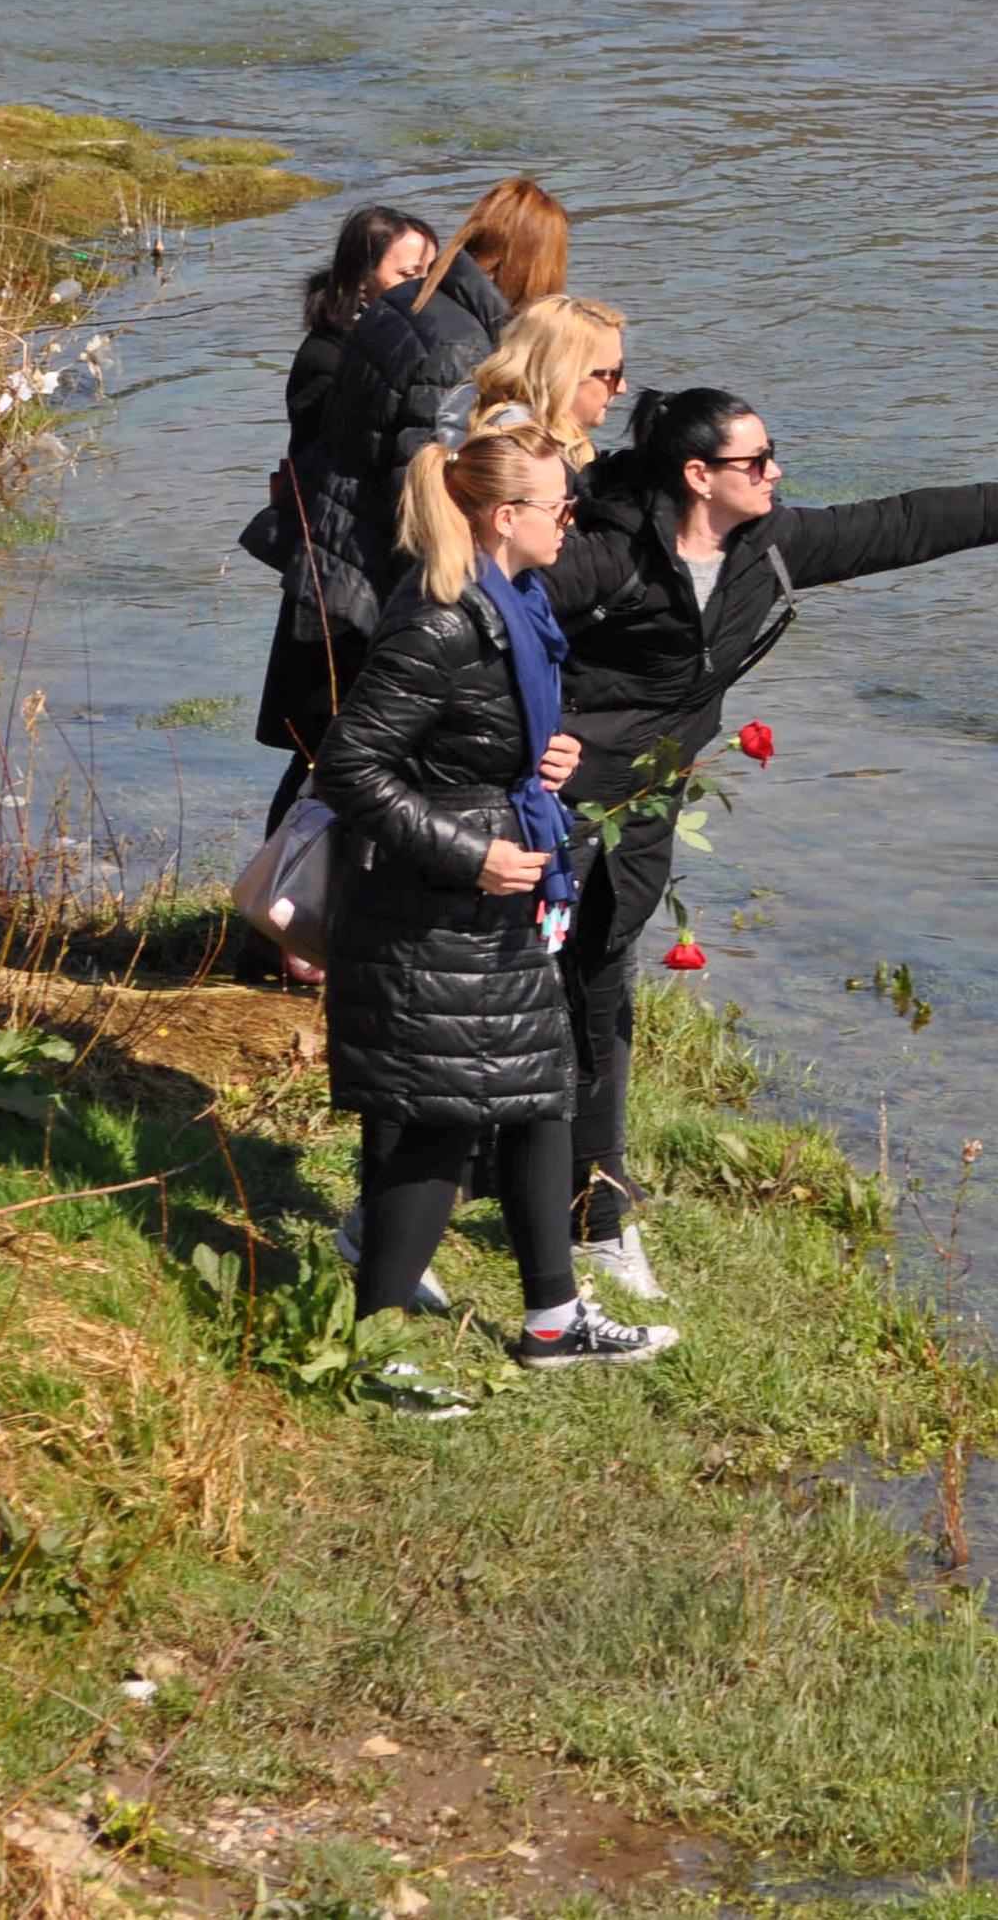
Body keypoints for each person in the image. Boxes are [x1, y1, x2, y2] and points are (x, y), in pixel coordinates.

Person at [537, 388, 998, 1301]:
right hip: (545, 807)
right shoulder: (605, 554)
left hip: (643, 809)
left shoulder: (764, 549)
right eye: (756, 462)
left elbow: (898, 526)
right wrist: (525, 732)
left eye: (774, 456)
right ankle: (421, 1194)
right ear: (699, 476)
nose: (776, 473)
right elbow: (473, 616)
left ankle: (595, 1214)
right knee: (517, 996)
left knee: (606, 996)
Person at [312, 419, 676, 1368]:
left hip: (492, 910)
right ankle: (373, 1350)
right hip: (434, 913)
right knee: (444, 1124)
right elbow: (350, 766)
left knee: (538, 1099)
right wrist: (468, 851)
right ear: (505, 515)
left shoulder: (512, 605)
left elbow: (467, 743)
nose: (573, 520)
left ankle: (551, 1320)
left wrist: (543, 757)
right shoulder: (441, 618)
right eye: (560, 506)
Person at [256, 204, 437, 839]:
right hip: (333, 573)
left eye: (429, 271)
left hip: (375, 566)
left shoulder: (402, 345)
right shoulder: (327, 359)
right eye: (406, 270)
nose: (420, 284)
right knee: (321, 745)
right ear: (362, 276)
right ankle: (274, 898)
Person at [313, 177, 574, 602]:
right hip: (373, 578)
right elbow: (422, 480)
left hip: (334, 550)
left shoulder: (410, 300)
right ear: (535, 265)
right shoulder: (461, 347)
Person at [465, 295, 630, 455]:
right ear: (567, 375)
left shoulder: (500, 428)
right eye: (615, 372)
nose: (622, 387)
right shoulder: (521, 451)